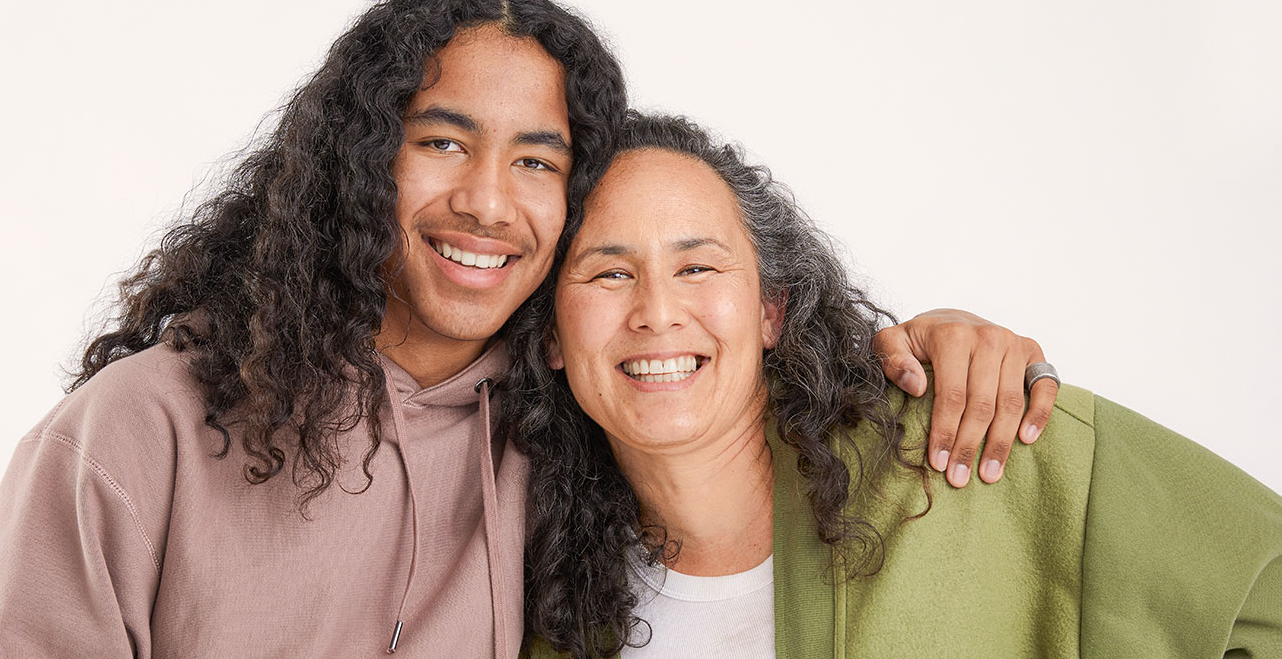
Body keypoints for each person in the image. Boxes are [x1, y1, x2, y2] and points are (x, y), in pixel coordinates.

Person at [0, 0, 1057, 659]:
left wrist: (941, 344)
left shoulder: (568, 430)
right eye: (441, 142)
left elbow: (722, 380)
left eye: (537, 161)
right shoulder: (137, 434)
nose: (488, 202)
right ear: (359, 160)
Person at [520, 113, 1282, 658]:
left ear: (770, 311)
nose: (657, 312)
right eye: (608, 273)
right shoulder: (541, 595)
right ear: (550, 332)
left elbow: (1264, 588)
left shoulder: (970, 445)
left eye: (697, 267)